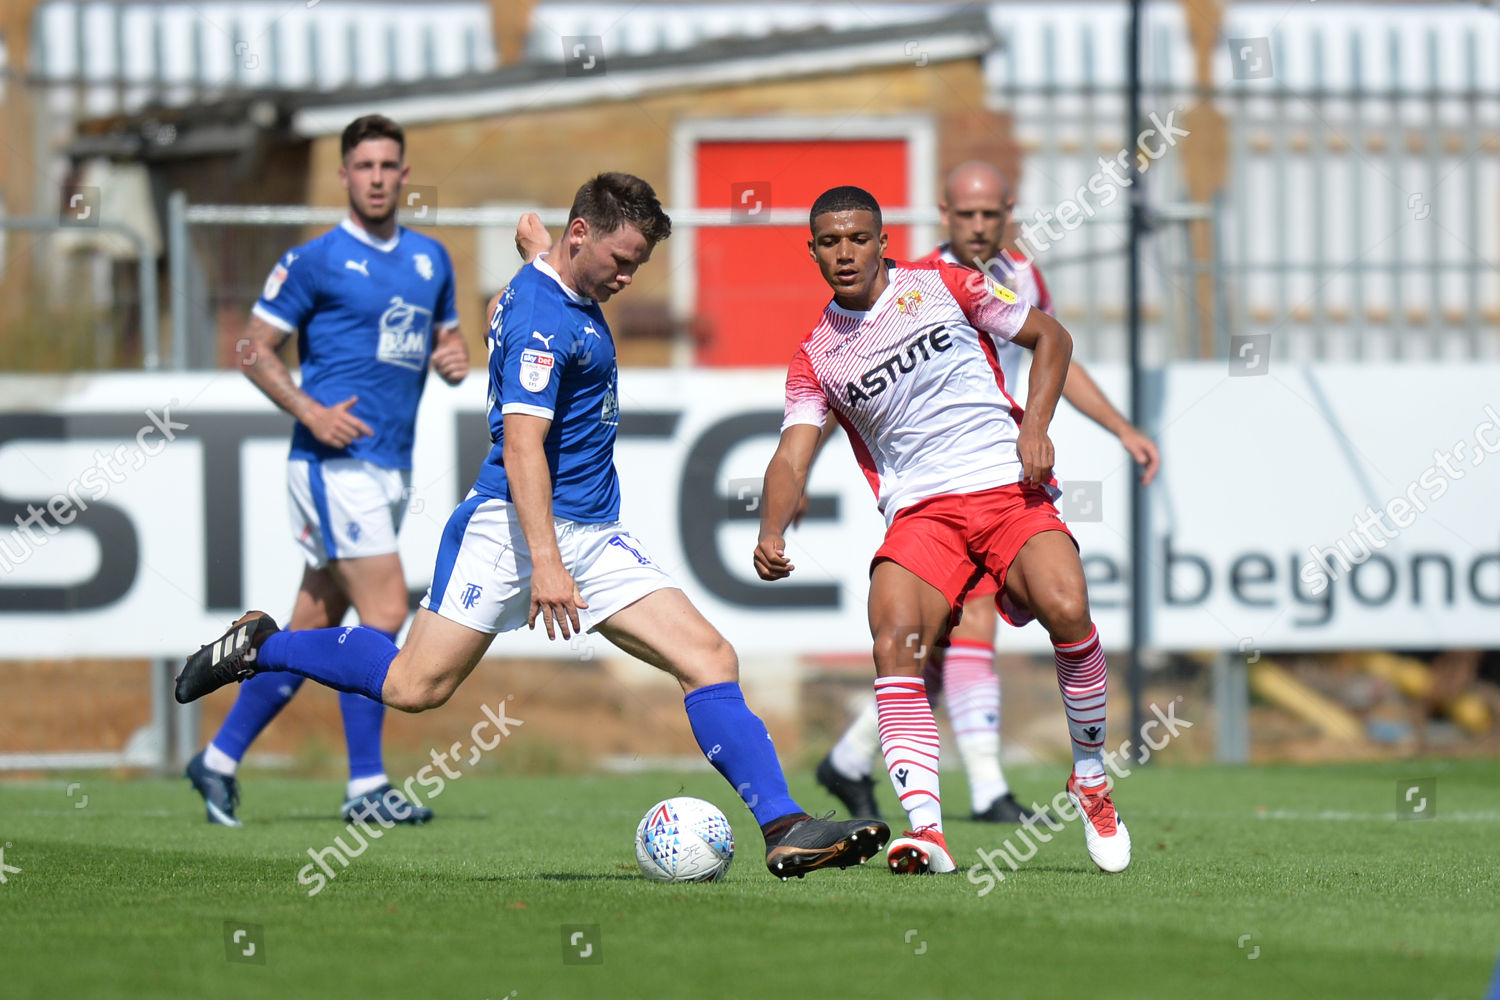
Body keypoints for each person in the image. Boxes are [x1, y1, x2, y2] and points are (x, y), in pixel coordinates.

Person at [175, 172, 890, 879]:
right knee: (414, 687)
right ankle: (265, 645)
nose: (626, 278)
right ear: (581, 235)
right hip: (511, 530)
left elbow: (543, 270)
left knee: (709, 658)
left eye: (637, 266)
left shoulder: (556, 278)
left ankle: (784, 827)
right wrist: (546, 562)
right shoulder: (542, 322)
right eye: (621, 261)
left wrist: (533, 245)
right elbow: (522, 447)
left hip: (593, 533)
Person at [755, 185, 1131, 875]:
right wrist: (771, 529)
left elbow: (1051, 336)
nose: (845, 253)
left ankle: (1090, 779)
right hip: (922, 512)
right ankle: (929, 833)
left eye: (859, 238)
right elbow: (791, 453)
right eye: (830, 242)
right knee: (895, 637)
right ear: (813, 252)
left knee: (1067, 606)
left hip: (1005, 489)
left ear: (883, 242)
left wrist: (1036, 427)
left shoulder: (945, 284)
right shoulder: (816, 356)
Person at [183, 114, 467, 826]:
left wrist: (453, 356)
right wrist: (310, 411)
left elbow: (447, 339)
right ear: (343, 175)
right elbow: (252, 348)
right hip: (331, 464)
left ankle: (216, 759)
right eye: (363, 166)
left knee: (316, 625)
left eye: (388, 166)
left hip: (390, 468)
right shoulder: (315, 259)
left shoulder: (431, 259)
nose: (377, 178)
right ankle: (366, 786)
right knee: (387, 613)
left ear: (405, 174)